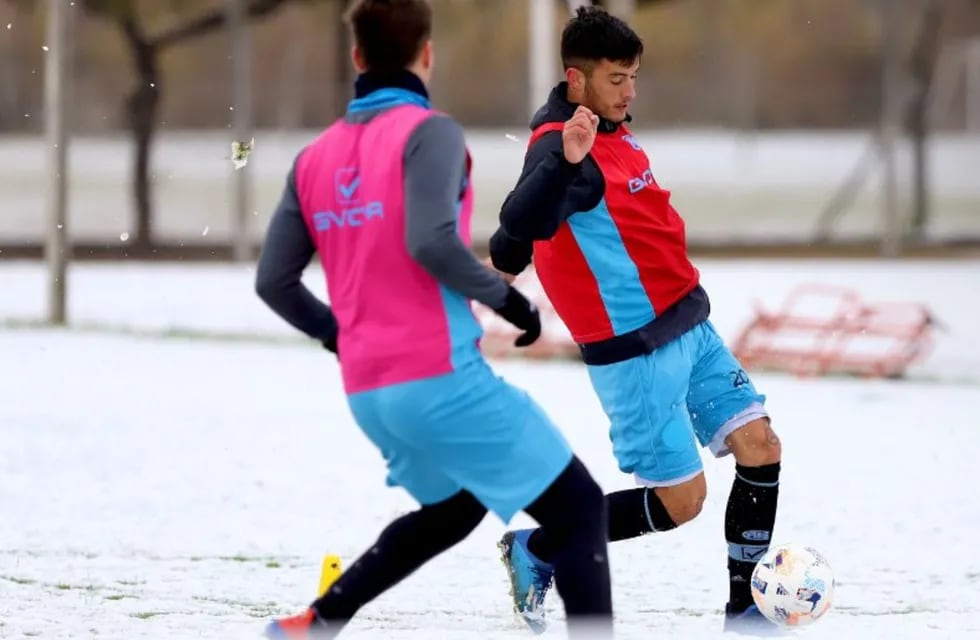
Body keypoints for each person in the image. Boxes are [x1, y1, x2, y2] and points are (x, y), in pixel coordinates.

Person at [253, 1, 613, 638]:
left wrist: (340, 336)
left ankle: (316, 621)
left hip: (368, 391)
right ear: (427, 54)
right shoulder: (432, 132)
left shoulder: (313, 159)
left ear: (358, 59)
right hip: (440, 378)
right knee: (580, 508)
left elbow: (273, 282)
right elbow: (430, 241)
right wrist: (509, 301)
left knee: (456, 505)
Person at [489, 6, 783, 636]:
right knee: (682, 503)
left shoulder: (611, 126)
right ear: (576, 79)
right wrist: (566, 163)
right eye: (618, 78)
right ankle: (540, 547)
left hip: (689, 324)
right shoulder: (566, 146)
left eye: (633, 77)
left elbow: (520, 247)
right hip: (636, 353)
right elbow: (516, 228)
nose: (630, 90)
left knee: (761, 447)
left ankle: (746, 612)